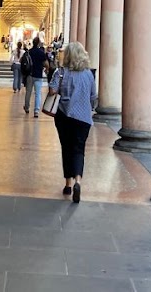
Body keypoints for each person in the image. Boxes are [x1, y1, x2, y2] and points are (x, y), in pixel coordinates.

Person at [49, 41, 98, 202]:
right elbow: (93, 97)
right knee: (79, 149)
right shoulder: (89, 74)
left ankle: (68, 184)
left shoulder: (61, 72)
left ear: (68, 56)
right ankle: (78, 180)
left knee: (67, 148)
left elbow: (52, 90)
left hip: (64, 116)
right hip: (83, 118)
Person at [23, 37, 51, 116]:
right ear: (38, 43)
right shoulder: (41, 52)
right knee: (38, 93)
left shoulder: (29, 52)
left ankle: (27, 107)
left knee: (28, 92)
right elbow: (46, 64)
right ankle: (36, 111)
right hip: (38, 75)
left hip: (30, 75)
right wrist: (47, 69)